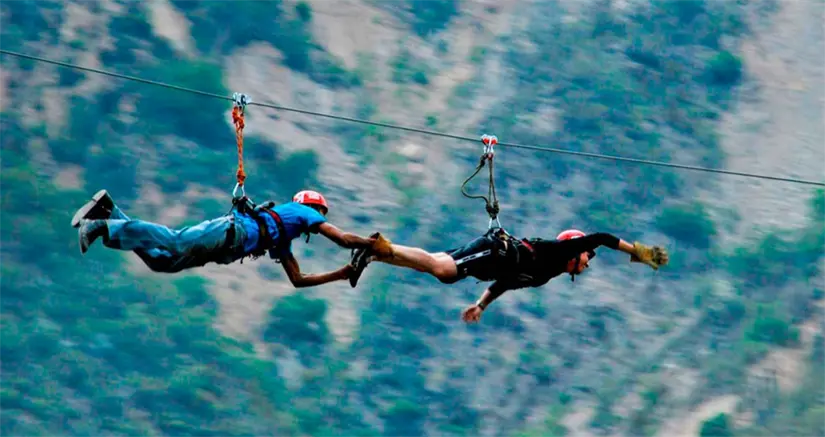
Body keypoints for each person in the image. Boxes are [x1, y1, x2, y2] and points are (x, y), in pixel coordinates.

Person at [72, 189, 394, 288]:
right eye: (321, 213)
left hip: (224, 247)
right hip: (230, 232)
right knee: (175, 241)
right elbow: (339, 238)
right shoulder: (302, 214)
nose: (321, 219)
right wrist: (368, 244)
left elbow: (297, 279)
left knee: (162, 262)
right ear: (313, 208)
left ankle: (110, 212)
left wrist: (341, 274)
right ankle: (103, 226)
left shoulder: (285, 235)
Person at [348, 228, 669, 322]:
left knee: (441, 271)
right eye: (587, 256)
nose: (588, 261)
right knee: (441, 266)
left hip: (492, 264)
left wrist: (481, 305)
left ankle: (377, 254)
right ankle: (378, 246)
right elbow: (601, 237)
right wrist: (639, 253)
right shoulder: (560, 251)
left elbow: (505, 283)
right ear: (575, 248)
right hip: (494, 250)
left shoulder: (546, 274)